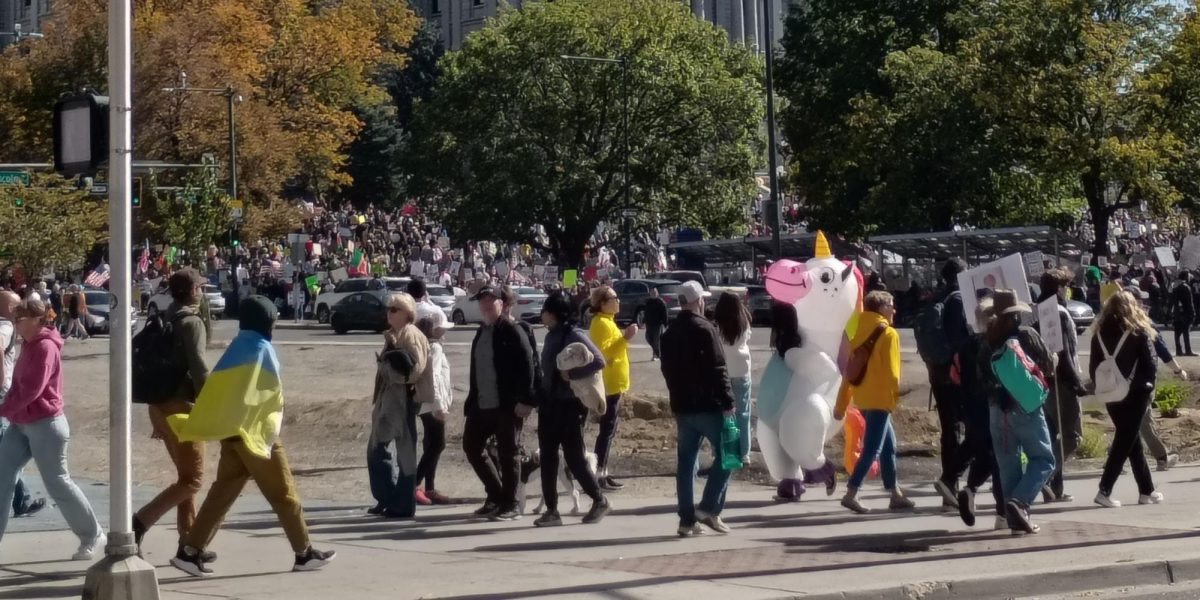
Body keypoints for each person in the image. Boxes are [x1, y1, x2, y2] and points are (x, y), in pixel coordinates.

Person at [168, 296, 335, 576]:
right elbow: (269, 395)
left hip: (232, 434)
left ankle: (190, 551)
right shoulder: (261, 349)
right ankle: (304, 553)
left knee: (221, 494)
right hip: (254, 434)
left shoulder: (235, 349)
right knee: (284, 493)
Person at [0, 297, 104, 559]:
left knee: (57, 482)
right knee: (2, 478)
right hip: (21, 423)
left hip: (46, 424)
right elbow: (18, 386)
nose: (16, 325)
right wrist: (9, 405)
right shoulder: (30, 343)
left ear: (36, 320)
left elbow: (33, 390)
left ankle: (92, 535)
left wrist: (4, 409)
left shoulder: (45, 346)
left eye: (20, 320)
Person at [133, 268, 211, 552]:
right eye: (200, 288)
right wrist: (211, 408)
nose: (202, 292)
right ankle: (140, 522)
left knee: (186, 477)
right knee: (194, 480)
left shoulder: (167, 317)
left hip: (159, 406)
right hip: (182, 409)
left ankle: (188, 542)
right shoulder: (191, 322)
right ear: (193, 292)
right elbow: (199, 369)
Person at [660, 281, 736, 537]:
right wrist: (728, 402)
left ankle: (686, 520)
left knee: (686, 464)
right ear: (697, 301)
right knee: (729, 454)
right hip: (708, 405)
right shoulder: (705, 328)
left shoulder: (669, 333)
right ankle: (708, 507)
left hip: (683, 407)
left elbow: (667, 371)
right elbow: (718, 368)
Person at [978, 290, 1056, 535]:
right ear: (1016, 314)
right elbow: (1047, 365)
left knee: (1008, 465)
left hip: (996, 410)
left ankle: (1016, 524)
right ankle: (1020, 502)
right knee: (1044, 460)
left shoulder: (987, 339)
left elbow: (981, 377)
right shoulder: (1025, 335)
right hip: (1025, 407)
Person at [535, 292, 610, 527]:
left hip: (568, 406)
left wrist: (572, 375)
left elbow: (599, 361)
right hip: (549, 403)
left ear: (554, 313)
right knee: (547, 457)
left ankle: (599, 499)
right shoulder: (551, 336)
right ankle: (551, 510)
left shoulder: (572, 334)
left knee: (574, 457)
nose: (542, 315)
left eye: (545, 310)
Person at [834, 292, 913, 514]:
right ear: (880, 308)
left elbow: (850, 373)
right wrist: (893, 398)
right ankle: (851, 492)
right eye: (891, 305)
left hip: (863, 398)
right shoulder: (888, 333)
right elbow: (892, 373)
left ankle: (895, 493)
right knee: (873, 449)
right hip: (880, 399)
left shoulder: (858, 331)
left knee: (889, 446)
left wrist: (841, 404)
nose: (894, 310)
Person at [463, 285, 536, 521]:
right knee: (472, 447)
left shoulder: (512, 330)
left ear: (502, 303)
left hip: (507, 405)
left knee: (508, 453)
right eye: (481, 301)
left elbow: (529, 366)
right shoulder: (482, 331)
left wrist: (526, 400)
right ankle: (496, 495)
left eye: (490, 300)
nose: (485, 305)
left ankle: (511, 503)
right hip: (481, 404)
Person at [1091, 291, 1163, 508]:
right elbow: (1150, 364)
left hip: (1111, 392)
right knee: (1125, 440)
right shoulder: (1139, 332)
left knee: (1131, 440)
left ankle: (1146, 491)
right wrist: (1147, 387)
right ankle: (1104, 490)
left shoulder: (1099, 333)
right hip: (1136, 393)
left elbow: (1094, 365)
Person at [367, 292, 429, 519]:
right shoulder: (395, 334)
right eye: (388, 308)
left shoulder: (410, 335)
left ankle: (401, 503)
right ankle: (389, 498)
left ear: (407, 313)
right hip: (388, 399)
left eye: (394, 309)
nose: (389, 313)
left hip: (402, 400)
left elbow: (413, 373)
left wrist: (390, 366)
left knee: (402, 454)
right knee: (378, 450)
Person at [953, 297, 1006, 529]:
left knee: (986, 456)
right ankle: (1002, 513)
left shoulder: (966, 345)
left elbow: (956, 378)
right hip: (991, 406)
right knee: (1000, 462)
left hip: (970, 408)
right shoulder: (994, 344)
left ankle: (970, 489)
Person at [1035, 268, 1087, 503]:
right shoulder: (1059, 312)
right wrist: (1077, 383)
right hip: (1062, 382)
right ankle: (1044, 478)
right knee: (1072, 436)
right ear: (1059, 288)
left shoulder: (1037, 310)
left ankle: (1055, 488)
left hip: (1044, 381)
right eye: (1066, 286)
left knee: (1053, 434)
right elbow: (1063, 351)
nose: (1068, 290)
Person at [927, 259, 972, 510]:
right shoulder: (957, 299)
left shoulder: (937, 297)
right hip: (956, 375)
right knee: (973, 431)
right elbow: (960, 341)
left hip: (938, 373)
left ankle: (950, 489)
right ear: (961, 275)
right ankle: (950, 480)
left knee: (949, 431)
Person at [0, 291, 46, 519]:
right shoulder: (6, 327)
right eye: (16, 308)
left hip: (8, 399)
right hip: (4, 397)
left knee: (8, 454)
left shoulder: (7, 327)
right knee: (7, 453)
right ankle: (22, 500)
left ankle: (22, 499)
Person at [409, 279, 455, 506]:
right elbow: (435, 378)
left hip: (424, 401)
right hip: (432, 404)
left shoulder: (425, 345)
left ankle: (428, 486)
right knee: (438, 444)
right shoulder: (435, 348)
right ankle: (416, 485)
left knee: (431, 443)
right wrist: (440, 406)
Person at [589, 285, 637, 491]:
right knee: (606, 431)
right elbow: (604, 354)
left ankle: (603, 471)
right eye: (613, 298)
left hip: (614, 384)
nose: (618, 301)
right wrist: (625, 338)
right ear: (602, 303)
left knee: (609, 430)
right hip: (608, 386)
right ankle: (598, 473)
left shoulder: (608, 322)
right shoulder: (601, 323)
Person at [713, 292, 752, 465]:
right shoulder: (744, 323)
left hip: (723, 373)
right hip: (742, 370)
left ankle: (722, 451)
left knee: (723, 415)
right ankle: (744, 453)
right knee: (743, 414)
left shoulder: (717, 326)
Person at [1147, 332, 1184, 471]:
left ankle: (1113, 459)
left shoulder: (1113, 323)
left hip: (1117, 383)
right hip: (1142, 383)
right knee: (1144, 420)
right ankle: (1162, 457)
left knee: (1127, 423)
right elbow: (1163, 351)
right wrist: (1179, 371)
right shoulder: (1145, 326)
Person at [1171, 272, 1195, 356]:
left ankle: (1179, 350)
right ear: (1185, 277)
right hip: (1185, 312)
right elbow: (1189, 302)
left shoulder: (1175, 286)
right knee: (1185, 332)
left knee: (1177, 333)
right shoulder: (1186, 287)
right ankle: (1188, 350)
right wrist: (1192, 312)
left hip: (1176, 311)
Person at [643, 287, 668, 361]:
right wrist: (644, 321)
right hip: (649, 323)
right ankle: (657, 352)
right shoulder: (648, 302)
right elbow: (646, 312)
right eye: (652, 292)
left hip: (658, 324)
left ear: (657, 293)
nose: (653, 294)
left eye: (654, 292)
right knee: (648, 338)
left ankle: (656, 355)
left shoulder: (661, 302)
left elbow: (665, 313)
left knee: (656, 340)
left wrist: (665, 323)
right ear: (650, 294)